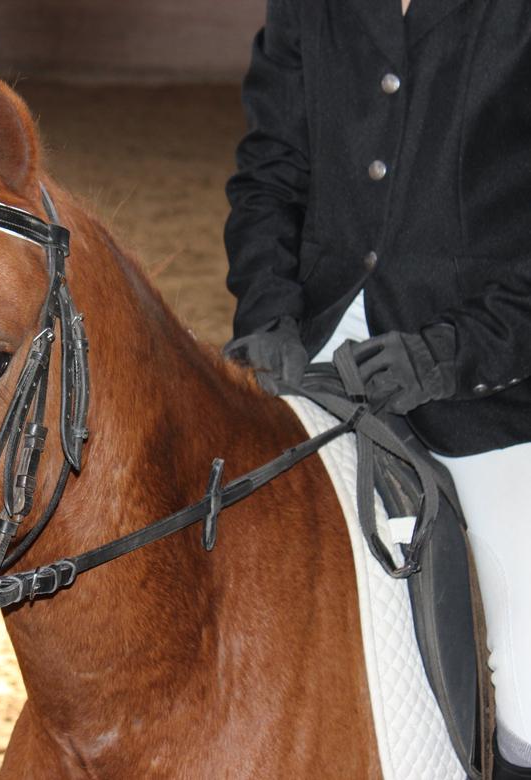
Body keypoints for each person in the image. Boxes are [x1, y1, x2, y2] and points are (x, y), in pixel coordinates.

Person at [221, 0, 531, 777]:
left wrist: (449, 356)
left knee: (528, 683)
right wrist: (268, 312)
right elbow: (270, 168)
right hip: (315, 353)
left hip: (485, 386)